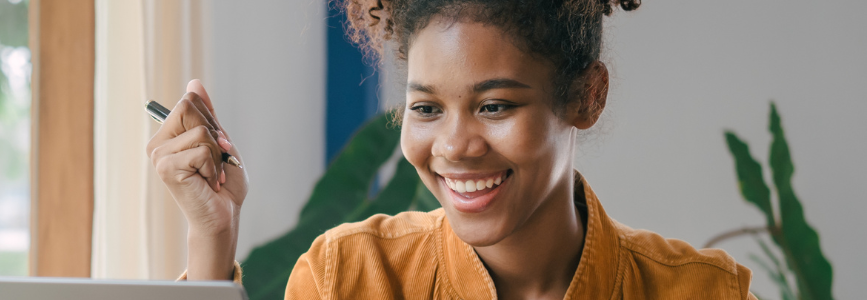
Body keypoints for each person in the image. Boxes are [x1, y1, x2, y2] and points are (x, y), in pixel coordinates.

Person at [145, 0, 756, 298]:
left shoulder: (706, 293)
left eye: (494, 106)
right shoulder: (353, 278)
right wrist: (211, 236)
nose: (455, 146)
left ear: (586, 97)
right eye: (426, 108)